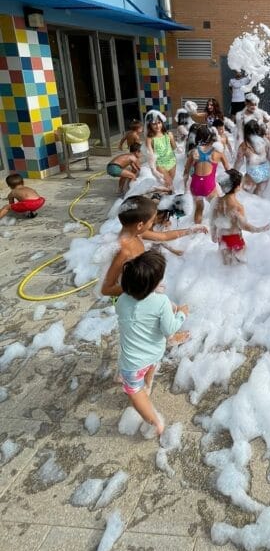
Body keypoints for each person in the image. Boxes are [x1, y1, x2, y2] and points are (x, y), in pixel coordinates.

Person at [116, 249, 188, 438]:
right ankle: (153, 413)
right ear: (152, 285)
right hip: (154, 354)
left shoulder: (121, 300)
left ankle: (150, 408)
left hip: (132, 363)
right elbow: (169, 329)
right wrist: (181, 314)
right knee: (140, 384)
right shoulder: (162, 302)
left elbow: (138, 311)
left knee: (134, 390)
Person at [101, 196, 207, 298]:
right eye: (152, 221)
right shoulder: (123, 251)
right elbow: (106, 289)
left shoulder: (137, 233)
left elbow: (164, 236)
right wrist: (145, 289)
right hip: (132, 296)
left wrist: (190, 230)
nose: (153, 223)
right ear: (140, 225)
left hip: (142, 287)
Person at [209, 169, 270, 264]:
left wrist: (213, 235)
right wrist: (259, 229)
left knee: (226, 265)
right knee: (239, 266)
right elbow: (244, 225)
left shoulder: (216, 201)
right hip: (235, 239)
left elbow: (212, 221)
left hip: (222, 239)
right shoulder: (237, 206)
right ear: (237, 187)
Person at [183, 128, 230, 224]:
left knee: (199, 207)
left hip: (195, 185)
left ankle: (197, 228)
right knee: (218, 207)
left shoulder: (193, 152)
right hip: (208, 185)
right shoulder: (217, 152)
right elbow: (228, 170)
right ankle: (220, 228)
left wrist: (185, 188)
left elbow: (186, 171)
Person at [234, 119, 270, 195]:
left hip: (252, 174)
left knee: (244, 196)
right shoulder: (265, 142)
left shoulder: (244, 146)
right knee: (257, 197)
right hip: (266, 173)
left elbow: (239, 163)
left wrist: (233, 175)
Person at [145, 111, 177, 189]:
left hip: (172, 161)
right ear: (150, 125)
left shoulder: (168, 134)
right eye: (154, 124)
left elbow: (174, 148)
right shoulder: (150, 138)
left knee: (169, 184)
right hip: (160, 164)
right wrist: (153, 169)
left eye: (159, 123)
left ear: (162, 123)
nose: (157, 126)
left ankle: (165, 195)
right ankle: (160, 193)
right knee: (169, 184)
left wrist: (173, 139)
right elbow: (150, 155)